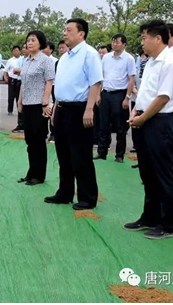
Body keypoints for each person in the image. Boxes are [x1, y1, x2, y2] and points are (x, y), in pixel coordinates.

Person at [125, 20, 173, 240]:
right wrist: (135, 112)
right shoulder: (151, 62)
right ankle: (150, 217)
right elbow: (145, 92)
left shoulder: (171, 63)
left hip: (160, 122)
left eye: (144, 38)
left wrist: (143, 117)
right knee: (147, 172)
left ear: (158, 38)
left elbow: (163, 97)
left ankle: (168, 224)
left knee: (164, 173)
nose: (142, 42)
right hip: (144, 119)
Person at [46, 18, 103, 210]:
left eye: (69, 30)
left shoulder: (89, 54)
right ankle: (65, 193)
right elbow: (60, 86)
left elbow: (96, 83)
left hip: (80, 109)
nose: (65, 33)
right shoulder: (64, 58)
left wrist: (89, 109)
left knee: (80, 155)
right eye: (64, 29)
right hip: (62, 109)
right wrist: (55, 108)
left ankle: (87, 197)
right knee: (63, 154)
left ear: (81, 34)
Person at [17, 31, 55, 185]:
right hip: (27, 104)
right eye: (28, 40)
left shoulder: (46, 61)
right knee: (30, 140)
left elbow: (49, 83)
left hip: (39, 105)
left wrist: (45, 103)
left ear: (41, 43)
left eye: (33, 40)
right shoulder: (26, 60)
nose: (29, 43)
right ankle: (31, 172)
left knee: (38, 140)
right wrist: (20, 101)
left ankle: (39, 175)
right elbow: (23, 83)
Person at [94, 34, 136, 163]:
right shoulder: (106, 57)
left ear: (124, 44)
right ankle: (102, 151)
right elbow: (101, 76)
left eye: (117, 42)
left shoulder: (129, 59)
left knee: (120, 126)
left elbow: (131, 79)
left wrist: (127, 98)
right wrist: (98, 94)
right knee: (103, 124)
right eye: (113, 42)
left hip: (120, 94)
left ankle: (119, 154)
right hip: (106, 93)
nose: (114, 44)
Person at [5, 46, 23, 116]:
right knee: (11, 95)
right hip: (12, 79)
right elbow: (6, 70)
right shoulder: (10, 60)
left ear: (20, 51)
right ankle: (10, 110)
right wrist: (6, 78)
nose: (15, 52)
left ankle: (19, 109)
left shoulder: (22, 59)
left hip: (19, 79)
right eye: (14, 51)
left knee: (19, 96)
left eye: (17, 50)